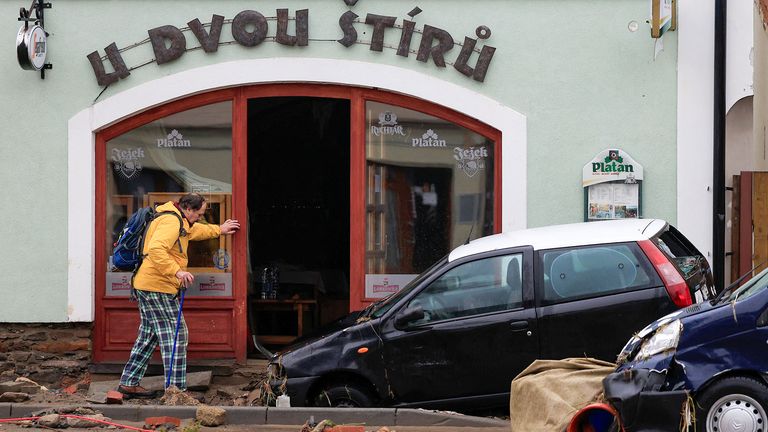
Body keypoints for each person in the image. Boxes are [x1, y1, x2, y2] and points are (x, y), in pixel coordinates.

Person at [117, 193, 240, 398]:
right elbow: (156, 250)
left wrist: (219, 229)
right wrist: (177, 271)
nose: (200, 217)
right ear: (188, 209)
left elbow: (193, 231)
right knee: (176, 335)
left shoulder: (177, 218)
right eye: (199, 213)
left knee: (148, 336)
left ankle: (129, 382)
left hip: (149, 285)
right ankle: (176, 390)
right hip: (158, 286)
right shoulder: (170, 221)